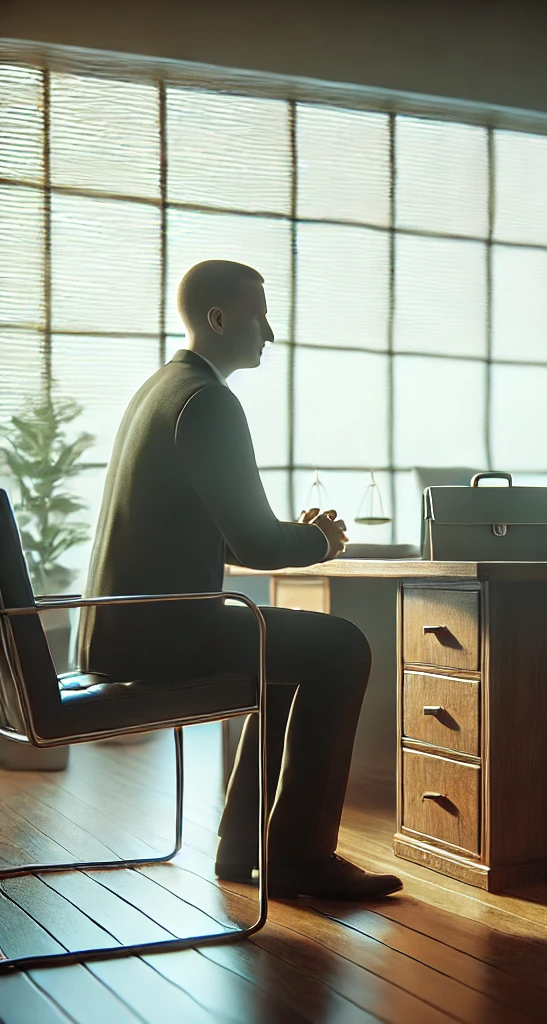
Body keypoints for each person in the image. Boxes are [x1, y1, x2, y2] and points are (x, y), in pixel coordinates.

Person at [78, 259, 402, 900]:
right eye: (258, 316)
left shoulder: (163, 389)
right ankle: (300, 858)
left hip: (125, 628)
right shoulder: (208, 402)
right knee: (342, 647)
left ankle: (247, 848)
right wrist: (320, 540)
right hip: (164, 632)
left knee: (290, 651)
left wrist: (300, 536)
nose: (270, 332)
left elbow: (219, 535)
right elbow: (254, 542)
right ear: (218, 318)